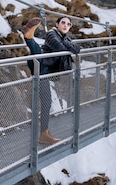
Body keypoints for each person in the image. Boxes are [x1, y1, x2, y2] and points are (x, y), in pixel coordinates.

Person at [21, 16, 81, 144]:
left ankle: (45, 132)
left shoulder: (63, 37)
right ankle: (43, 134)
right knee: (46, 102)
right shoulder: (51, 34)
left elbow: (77, 49)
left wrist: (66, 43)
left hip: (45, 69)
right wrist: (67, 45)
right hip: (41, 67)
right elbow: (61, 49)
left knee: (46, 102)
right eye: (63, 22)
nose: (66, 25)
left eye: (69, 24)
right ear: (57, 24)